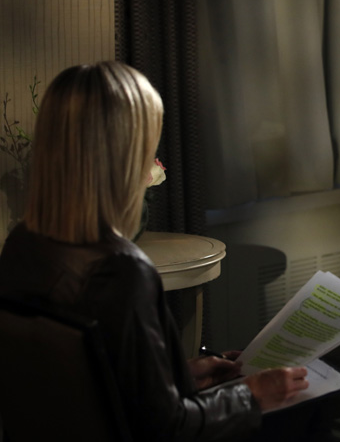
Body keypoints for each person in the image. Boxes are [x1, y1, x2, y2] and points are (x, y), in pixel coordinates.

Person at [0, 62, 309, 441]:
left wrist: (178, 373)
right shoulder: (121, 271)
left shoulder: (22, 245)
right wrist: (252, 395)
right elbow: (167, 429)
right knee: (301, 412)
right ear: (126, 157)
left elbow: (83, 382)